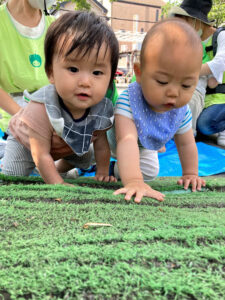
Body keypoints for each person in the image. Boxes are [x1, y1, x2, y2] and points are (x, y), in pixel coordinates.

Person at [1, 11, 119, 186]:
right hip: (26, 144)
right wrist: (58, 184)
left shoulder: (101, 109)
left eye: (97, 73)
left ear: (110, 79)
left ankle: (57, 168)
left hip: (67, 143)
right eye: (73, 69)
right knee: (13, 179)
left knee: (89, 153)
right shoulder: (41, 107)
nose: (85, 82)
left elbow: (101, 143)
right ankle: (44, 170)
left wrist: (102, 172)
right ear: (50, 72)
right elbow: (39, 153)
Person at [108, 18, 206, 203]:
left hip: (144, 145)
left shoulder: (180, 111)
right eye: (162, 82)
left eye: (186, 85)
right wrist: (134, 181)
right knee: (88, 155)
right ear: (139, 72)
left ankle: (115, 169)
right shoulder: (129, 102)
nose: (174, 93)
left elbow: (186, 144)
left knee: (150, 172)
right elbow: (126, 140)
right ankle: (101, 164)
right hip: (112, 142)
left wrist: (191, 173)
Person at [169, 0, 225, 145]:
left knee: (204, 126)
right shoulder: (191, 42)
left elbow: (220, 62)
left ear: (195, 20)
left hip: (221, 98)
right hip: (206, 96)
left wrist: (187, 72)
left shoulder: (220, 36)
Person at [0, 0, 55, 134]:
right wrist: (25, 118)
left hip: (52, 107)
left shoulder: (53, 24)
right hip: (14, 112)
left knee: (86, 152)